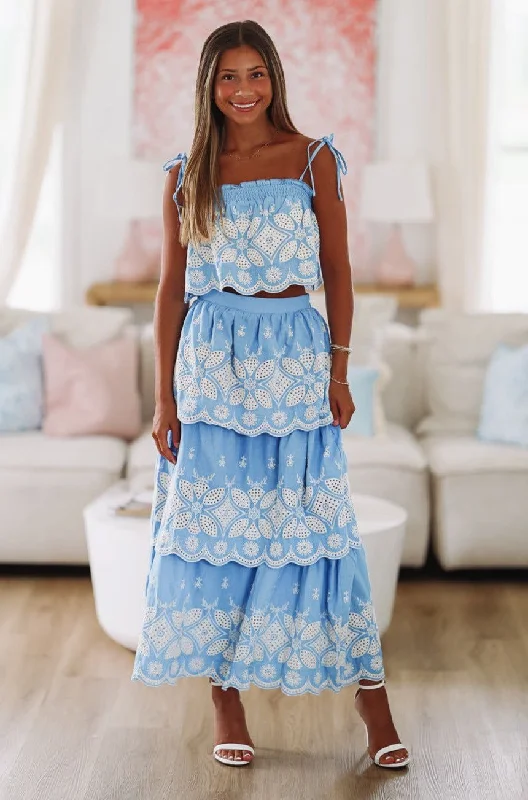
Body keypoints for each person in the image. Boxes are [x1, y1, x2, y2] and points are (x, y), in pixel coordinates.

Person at [131, 19, 410, 770]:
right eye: (228, 77)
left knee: (320, 530)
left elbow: (341, 272)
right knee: (220, 542)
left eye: (256, 74)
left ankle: (371, 700)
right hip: (211, 367)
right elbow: (169, 294)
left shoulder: (313, 159)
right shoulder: (186, 172)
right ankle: (226, 697)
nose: (244, 90)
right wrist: (165, 400)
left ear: (275, 79)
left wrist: (340, 370)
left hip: (295, 357)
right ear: (208, 87)